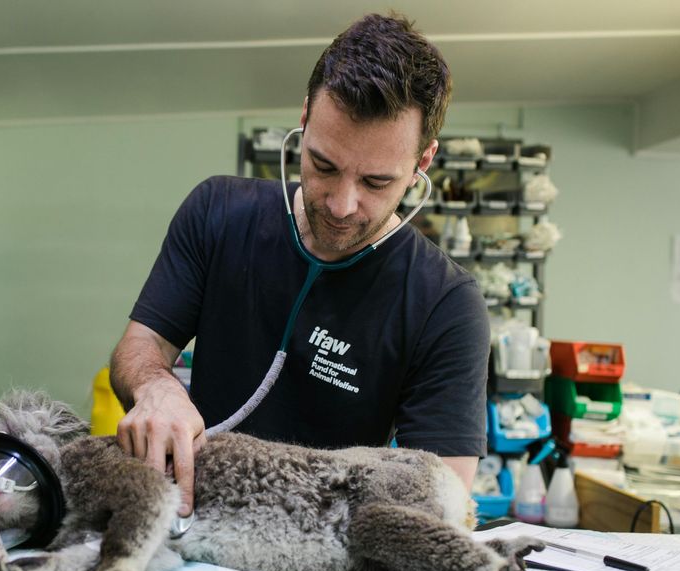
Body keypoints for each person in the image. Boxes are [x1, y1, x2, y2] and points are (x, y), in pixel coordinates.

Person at [110, 13, 489, 519]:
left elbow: (441, 495)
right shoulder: (217, 212)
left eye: (376, 182)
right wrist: (155, 387)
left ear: (424, 161)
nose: (341, 205)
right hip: (196, 518)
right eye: (324, 165)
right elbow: (139, 347)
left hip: (330, 540)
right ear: (306, 117)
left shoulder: (447, 303)